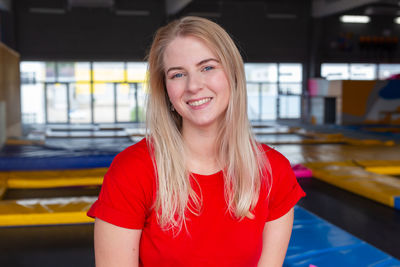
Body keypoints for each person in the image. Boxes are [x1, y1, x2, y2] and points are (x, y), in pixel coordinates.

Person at [87, 16, 305, 267]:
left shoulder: (273, 171)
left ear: (233, 74)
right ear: (166, 90)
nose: (193, 86)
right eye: (178, 74)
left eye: (207, 67)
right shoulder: (133, 170)